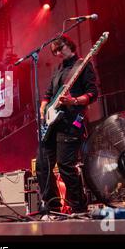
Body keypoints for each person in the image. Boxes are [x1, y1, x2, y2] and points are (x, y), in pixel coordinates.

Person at [37, 34, 98, 214]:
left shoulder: (83, 65)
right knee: (42, 165)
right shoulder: (58, 69)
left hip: (72, 122)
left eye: (59, 49)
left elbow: (93, 94)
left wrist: (74, 101)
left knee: (65, 165)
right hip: (52, 123)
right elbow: (48, 94)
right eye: (54, 51)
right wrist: (43, 107)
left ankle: (79, 207)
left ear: (69, 45)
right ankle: (53, 208)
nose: (57, 54)